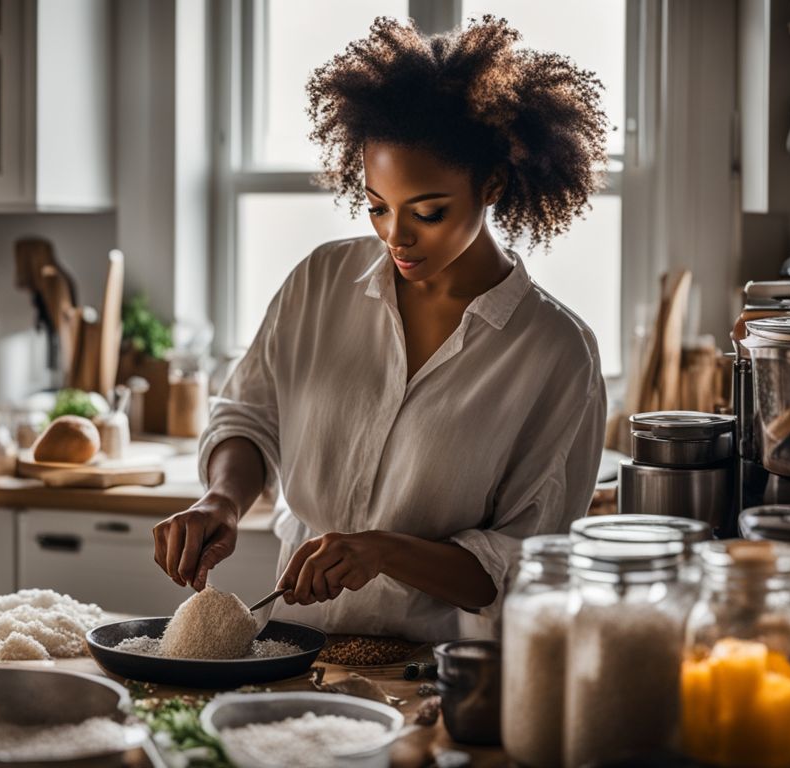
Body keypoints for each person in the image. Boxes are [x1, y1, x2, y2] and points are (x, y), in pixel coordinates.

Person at [152, 16, 609, 641]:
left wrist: (384, 553)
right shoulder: (320, 282)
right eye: (376, 205)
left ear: (493, 185)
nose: (396, 235)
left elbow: (525, 564)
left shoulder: (556, 354)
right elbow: (248, 417)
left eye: (428, 211)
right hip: (292, 648)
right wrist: (222, 500)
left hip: (438, 677)